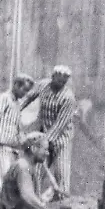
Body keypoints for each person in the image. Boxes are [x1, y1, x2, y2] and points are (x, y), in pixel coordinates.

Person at [20, 65, 77, 195]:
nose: (61, 84)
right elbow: (28, 97)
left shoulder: (68, 98)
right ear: (53, 77)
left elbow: (60, 125)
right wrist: (17, 109)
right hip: (44, 133)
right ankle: (34, 195)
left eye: (64, 82)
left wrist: (44, 142)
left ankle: (62, 198)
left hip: (62, 138)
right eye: (58, 80)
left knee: (61, 171)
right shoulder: (43, 85)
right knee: (38, 168)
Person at [0, 73, 35, 209]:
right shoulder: (2, 99)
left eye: (27, 91)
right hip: (0, 146)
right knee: (0, 180)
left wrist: (23, 140)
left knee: (9, 181)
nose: (25, 94)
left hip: (12, 148)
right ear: (16, 85)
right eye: (24, 90)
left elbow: (17, 126)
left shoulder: (17, 104)